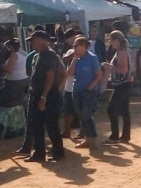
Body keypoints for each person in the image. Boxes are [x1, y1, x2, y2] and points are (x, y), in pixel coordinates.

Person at [23, 30, 67, 162]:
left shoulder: (49, 55)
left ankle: (57, 151)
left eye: (33, 40)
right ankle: (40, 152)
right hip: (37, 93)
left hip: (46, 95)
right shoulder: (38, 55)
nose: (31, 44)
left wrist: (44, 97)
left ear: (41, 40)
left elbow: (50, 76)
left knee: (50, 124)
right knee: (36, 123)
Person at [67, 37, 102, 149]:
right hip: (77, 90)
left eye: (76, 46)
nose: (74, 48)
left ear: (83, 46)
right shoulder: (76, 59)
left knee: (87, 114)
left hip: (89, 91)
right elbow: (70, 73)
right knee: (81, 114)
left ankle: (92, 137)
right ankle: (88, 138)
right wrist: (74, 59)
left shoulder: (92, 58)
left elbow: (99, 75)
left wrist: (90, 88)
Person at [103, 30, 132, 144]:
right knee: (124, 110)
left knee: (111, 109)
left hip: (122, 84)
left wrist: (109, 67)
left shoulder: (121, 53)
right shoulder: (122, 51)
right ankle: (125, 136)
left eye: (111, 40)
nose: (110, 43)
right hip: (123, 84)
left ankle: (115, 136)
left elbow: (123, 70)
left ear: (117, 40)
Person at [61, 29, 81, 139]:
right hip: (69, 85)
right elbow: (63, 59)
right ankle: (67, 130)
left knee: (82, 110)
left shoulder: (88, 54)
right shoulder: (70, 50)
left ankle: (83, 132)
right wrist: (75, 51)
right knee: (68, 110)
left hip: (80, 85)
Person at [2, 38, 29, 107]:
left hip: (15, 82)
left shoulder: (14, 55)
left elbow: (9, 70)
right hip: (25, 79)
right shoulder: (25, 53)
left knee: (13, 102)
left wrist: (2, 67)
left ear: (11, 47)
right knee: (22, 100)